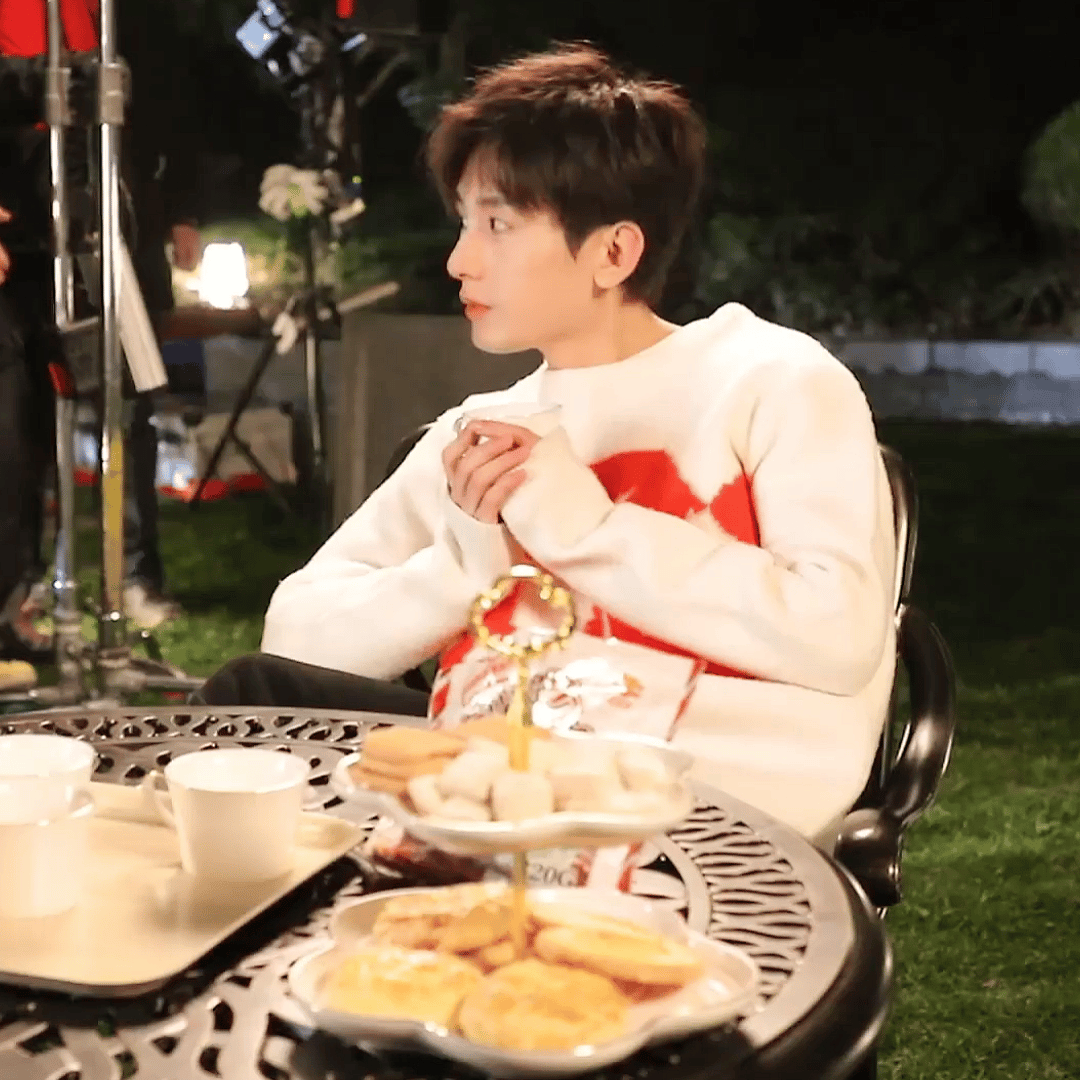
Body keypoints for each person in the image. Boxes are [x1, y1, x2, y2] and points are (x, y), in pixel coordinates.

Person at [197, 44, 897, 849]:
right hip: (503, 762)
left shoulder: (769, 378)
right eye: (464, 222)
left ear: (613, 252)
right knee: (248, 694)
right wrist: (469, 569)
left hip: (695, 798)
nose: (460, 261)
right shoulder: (488, 431)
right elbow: (296, 637)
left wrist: (590, 531)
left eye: (498, 224)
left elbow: (839, 636)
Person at [0, 0, 204, 651]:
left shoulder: (121, 11)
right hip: (19, 222)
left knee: (124, 400)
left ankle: (132, 576)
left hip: (105, 213)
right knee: (19, 417)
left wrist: (182, 208)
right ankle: (23, 588)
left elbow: (167, 90)